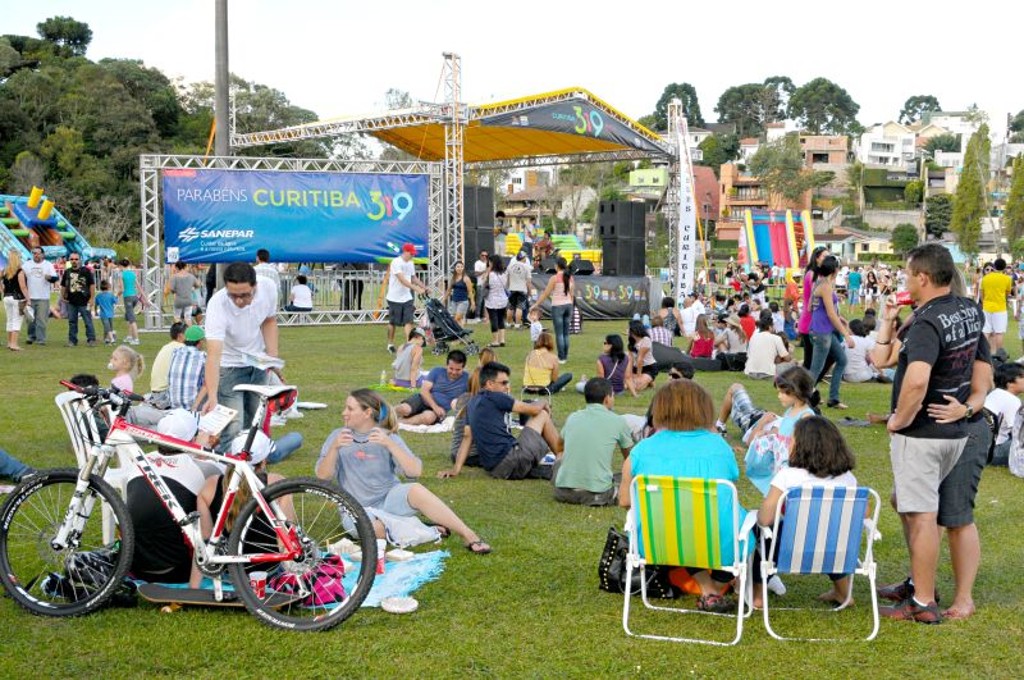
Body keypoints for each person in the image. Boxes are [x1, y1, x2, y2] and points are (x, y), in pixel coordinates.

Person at [873, 243, 988, 625]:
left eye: (907, 274)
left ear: (922, 277)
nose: (904, 280)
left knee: (930, 515)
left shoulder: (927, 322)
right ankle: (920, 583)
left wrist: (899, 419)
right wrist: (888, 319)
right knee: (906, 504)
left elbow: (917, 380)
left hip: (925, 434)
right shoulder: (967, 311)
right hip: (954, 432)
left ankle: (923, 601)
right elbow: (882, 359)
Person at [617, 379, 740, 613]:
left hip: (656, 543)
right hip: (719, 542)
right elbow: (728, 487)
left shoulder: (642, 450)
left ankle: (708, 588)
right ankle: (717, 585)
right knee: (732, 527)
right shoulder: (719, 447)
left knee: (680, 522)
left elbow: (625, 500)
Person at [317, 389, 490, 553]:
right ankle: (425, 529)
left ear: (367, 413)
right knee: (376, 531)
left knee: (416, 489)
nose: (343, 413)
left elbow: (414, 471)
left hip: (389, 500)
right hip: (355, 507)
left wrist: (389, 444)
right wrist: (334, 448)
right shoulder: (337, 437)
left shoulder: (387, 436)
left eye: (350, 408)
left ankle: (469, 535)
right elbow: (322, 477)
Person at [751, 416, 858, 609]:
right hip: (836, 552)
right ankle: (843, 592)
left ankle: (757, 596)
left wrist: (757, 519)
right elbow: (862, 515)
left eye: (792, 439)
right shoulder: (848, 478)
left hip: (790, 551)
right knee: (830, 530)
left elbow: (765, 519)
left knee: (762, 533)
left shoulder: (787, 476)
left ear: (801, 446)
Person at [126, 409, 212, 584]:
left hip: (132, 564)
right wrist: (205, 452)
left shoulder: (139, 462)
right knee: (216, 498)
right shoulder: (203, 468)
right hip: (178, 570)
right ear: (193, 439)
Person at [202, 262, 280, 451]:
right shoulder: (217, 304)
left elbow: (269, 321)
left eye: (245, 295)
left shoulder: (268, 288)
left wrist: (273, 358)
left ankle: (255, 465)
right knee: (233, 426)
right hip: (229, 368)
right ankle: (231, 471)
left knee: (256, 421)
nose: (238, 301)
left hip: (258, 363)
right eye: (233, 295)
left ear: (255, 286)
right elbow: (213, 355)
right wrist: (212, 396)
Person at [441, 361, 562, 480]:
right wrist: (543, 402)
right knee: (543, 415)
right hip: (512, 460)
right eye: (503, 383)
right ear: (489, 384)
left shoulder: (472, 403)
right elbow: (534, 410)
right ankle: (565, 460)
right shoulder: (496, 397)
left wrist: (456, 469)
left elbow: (467, 437)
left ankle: (542, 467)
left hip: (495, 469)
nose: (507, 386)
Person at [553, 378, 633, 506]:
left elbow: (559, 447)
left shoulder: (573, 417)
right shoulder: (617, 421)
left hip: (562, 493)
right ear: (607, 398)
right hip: (596, 494)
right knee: (624, 478)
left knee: (560, 457)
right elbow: (630, 458)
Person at [808, 255, 854, 409]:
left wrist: (838, 316)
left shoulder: (821, 284)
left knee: (841, 360)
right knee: (816, 368)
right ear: (835, 270)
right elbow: (830, 313)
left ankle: (833, 398)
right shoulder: (825, 286)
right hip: (822, 332)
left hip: (823, 330)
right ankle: (802, 397)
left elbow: (810, 307)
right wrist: (846, 334)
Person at [395, 349, 469, 426]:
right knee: (404, 409)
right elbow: (424, 391)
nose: (454, 372)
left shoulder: (467, 379)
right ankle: (385, 414)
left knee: (428, 418)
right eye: (451, 368)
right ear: (446, 365)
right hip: (422, 400)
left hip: (439, 411)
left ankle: (398, 423)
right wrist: (435, 407)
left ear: (463, 368)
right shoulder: (437, 371)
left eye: (458, 370)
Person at [385, 243, 427, 353]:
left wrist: (424, 287)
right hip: (394, 297)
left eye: (414, 254)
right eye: (411, 253)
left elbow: (413, 278)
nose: (413, 255)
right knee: (393, 322)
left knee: (409, 321)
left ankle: (409, 345)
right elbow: (402, 280)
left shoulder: (411, 263)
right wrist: (417, 289)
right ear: (405, 252)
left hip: (407, 297)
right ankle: (390, 344)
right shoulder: (396, 262)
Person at [532, 257, 575, 363]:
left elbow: (546, 293)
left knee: (559, 333)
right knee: (566, 333)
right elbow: (572, 294)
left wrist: (536, 304)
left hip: (558, 306)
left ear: (557, 266)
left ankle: (561, 357)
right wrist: (571, 305)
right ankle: (565, 355)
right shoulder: (570, 278)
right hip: (568, 305)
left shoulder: (554, 278)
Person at [983, 361, 1024, 466]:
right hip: (994, 452)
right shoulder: (1012, 400)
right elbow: (1019, 432)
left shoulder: (994, 393)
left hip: (982, 449)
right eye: (1022, 377)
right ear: (1009, 383)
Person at [22, 247, 59, 346]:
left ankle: (41, 339)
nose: (36, 255)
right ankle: (31, 337)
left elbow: (55, 278)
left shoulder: (48, 265)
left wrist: (50, 278)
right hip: (30, 297)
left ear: (43, 254)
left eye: (38, 253)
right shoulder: (27, 264)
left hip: (43, 297)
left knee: (41, 320)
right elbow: (20, 276)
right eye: (34, 253)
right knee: (30, 319)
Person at [167, 325, 209, 410]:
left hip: (174, 406)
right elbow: (207, 384)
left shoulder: (175, 353)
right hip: (193, 407)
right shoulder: (203, 357)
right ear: (200, 341)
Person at [60, 253, 96, 347]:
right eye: (72, 259)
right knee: (72, 322)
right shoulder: (67, 272)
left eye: (76, 259)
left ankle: (91, 340)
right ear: (69, 260)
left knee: (88, 321)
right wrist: (63, 296)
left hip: (84, 301)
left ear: (80, 260)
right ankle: (72, 341)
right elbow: (63, 285)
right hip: (71, 301)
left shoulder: (86, 271)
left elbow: (92, 285)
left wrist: (92, 298)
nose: (74, 261)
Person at [979, 257, 1013, 353]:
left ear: (994, 266)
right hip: (1000, 308)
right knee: (999, 333)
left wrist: (985, 303)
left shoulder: (985, 278)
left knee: (986, 331)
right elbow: (1006, 294)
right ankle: (999, 356)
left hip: (986, 307)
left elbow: (982, 295)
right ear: (1005, 267)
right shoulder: (1007, 279)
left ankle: (983, 353)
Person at [744, 315, 791, 380]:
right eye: (773, 326)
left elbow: (748, 355)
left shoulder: (753, 337)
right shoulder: (776, 338)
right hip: (768, 374)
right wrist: (790, 352)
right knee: (792, 364)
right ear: (769, 327)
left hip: (751, 373)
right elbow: (787, 359)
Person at [2, 249, 29, 351]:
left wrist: (3, 289)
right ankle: (14, 344)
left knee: (10, 320)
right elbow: (23, 287)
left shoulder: (5, 270)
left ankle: (9, 343)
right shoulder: (20, 271)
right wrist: (28, 299)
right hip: (17, 298)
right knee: (17, 321)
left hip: (6, 297)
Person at [483, 253, 509, 348]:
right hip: (503, 299)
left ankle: (495, 341)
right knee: (501, 319)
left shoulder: (490, 274)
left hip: (492, 300)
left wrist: (488, 270)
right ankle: (502, 340)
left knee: (493, 320)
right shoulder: (504, 273)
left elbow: (484, 281)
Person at [842, 318, 880, 383]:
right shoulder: (867, 340)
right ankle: (877, 375)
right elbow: (872, 360)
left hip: (847, 376)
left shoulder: (845, 340)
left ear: (851, 329)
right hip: (863, 375)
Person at [119, 259, 146, 346]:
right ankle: (130, 336)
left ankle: (136, 339)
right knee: (128, 316)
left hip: (128, 297)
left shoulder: (121, 275)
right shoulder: (133, 274)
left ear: (121, 266)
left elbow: (122, 289)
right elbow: (139, 287)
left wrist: (116, 295)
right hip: (135, 297)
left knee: (131, 319)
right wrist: (145, 299)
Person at [627, 319, 657, 395]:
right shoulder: (631, 341)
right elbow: (630, 359)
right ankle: (648, 380)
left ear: (634, 330)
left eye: (629, 328)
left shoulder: (646, 340)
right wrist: (629, 374)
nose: (627, 330)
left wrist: (638, 377)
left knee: (637, 387)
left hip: (648, 367)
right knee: (626, 383)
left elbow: (640, 359)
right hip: (635, 367)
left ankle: (648, 380)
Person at [506, 251, 532, 329]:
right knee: (519, 307)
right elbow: (528, 281)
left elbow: (507, 278)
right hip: (522, 289)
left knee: (511, 307)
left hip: (512, 288)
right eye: (525, 257)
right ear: (523, 258)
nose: (526, 258)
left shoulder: (510, 266)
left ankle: (508, 323)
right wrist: (529, 292)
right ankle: (517, 324)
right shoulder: (526, 267)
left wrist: (508, 287)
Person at [472, 250, 489, 321]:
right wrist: (484, 271)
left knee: (487, 301)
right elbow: (476, 274)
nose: (484, 257)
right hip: (480, 284)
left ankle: (485, 317)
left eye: (486, 255)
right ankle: (477, 316)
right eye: (483, 255)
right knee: (479, 301)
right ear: (480, 256)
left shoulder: (489, 263)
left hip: (488, 284)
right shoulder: (477, 263)